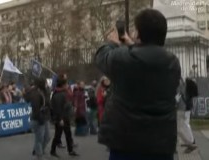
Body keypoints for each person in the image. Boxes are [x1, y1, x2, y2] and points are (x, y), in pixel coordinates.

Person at [94, 9, 181, 160]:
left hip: (126, 143)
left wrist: (112, 43)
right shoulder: (172, 62)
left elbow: (102, 57)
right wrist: (134, 45)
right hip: (161, 143)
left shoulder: (124, 59)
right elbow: (147, 59)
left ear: (138, 34)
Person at [50, 78, 79, 158]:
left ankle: (70, 150)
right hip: (61, 118)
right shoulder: (59, 94)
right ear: (63, 85)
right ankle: (52, 150)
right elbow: (58, 108)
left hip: (65, 117)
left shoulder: (63, 92)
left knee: (68, 134)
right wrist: (60, 119)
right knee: (58, 135)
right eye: (66, 84)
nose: (68, 85)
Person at [27, 78, 51, 160]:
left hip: (44, 117)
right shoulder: (35, 93)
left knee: (47, 137)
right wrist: (40, 119)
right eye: (45, 83)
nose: (46, 84)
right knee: (39, 138)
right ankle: (39, 155)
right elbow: (36, 109)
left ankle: (38, 151)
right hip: (38, 119)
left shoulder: (44, 92)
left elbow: (47, 103)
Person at [176, 78, 198, 153]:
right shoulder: (185, 84)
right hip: (185, 109)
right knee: (184, 125)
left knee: (180, 127)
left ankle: (190, 142)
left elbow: (178, 97)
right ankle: (189, 142)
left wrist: (174, 102)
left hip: (181, 109)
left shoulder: (179, 85)